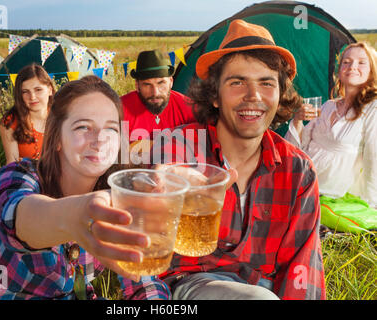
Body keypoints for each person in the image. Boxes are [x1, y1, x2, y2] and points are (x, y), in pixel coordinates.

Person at [121, 19, 326, 300]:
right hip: (194, 284)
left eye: (266, 83)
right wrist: (166, 184)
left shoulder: (299, 171)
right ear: (215, 96)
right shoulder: (179, 145)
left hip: (268, 288)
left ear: (280, 96)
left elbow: (303, 268)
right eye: (237, 82)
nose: (253, 96)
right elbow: (164, 178)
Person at [0, 76, 153, 300]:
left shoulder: (117, 195)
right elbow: (17, 218)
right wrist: (77, 214)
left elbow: (144, 281)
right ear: (57, 137)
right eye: (83, 127)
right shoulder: (20, 175)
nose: (100, 140)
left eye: (111, 128)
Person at [285, 41, 377, 209]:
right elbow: (299, 147)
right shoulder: (328, 106)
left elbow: (374, 158)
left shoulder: (372, 108)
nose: (352, 66)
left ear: (372, 71)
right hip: (302, 182)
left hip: (332, 194)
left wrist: (371, 206)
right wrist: (298, 120)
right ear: (339, 70)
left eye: (361, 62)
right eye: (346, 62)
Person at [121, 49, 195, 143]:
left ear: (171, 82)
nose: (155, 93)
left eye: (161, 83)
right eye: (147, 84)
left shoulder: (190, 108)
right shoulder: (120, 110)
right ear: (137, 86)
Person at [0, 63, 56, 164]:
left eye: (38, 90)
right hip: (25, 176)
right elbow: (12, 163)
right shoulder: (10, 121)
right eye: (25, 91)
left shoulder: (61, 116)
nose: (32, 97)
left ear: (50, 90)